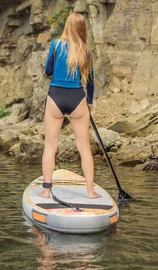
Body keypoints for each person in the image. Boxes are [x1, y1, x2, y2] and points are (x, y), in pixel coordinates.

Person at [40, 12, 101, 199]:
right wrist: (89, 101)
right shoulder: (86, 51)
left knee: (50, 146)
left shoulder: (56, 45)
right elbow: (90, 82)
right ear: (83, 29)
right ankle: (90, 192)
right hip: (77, 98)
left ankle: (46, 190)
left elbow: (47, 71)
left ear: (66, 26)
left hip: (56, 97)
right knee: (84, 148)